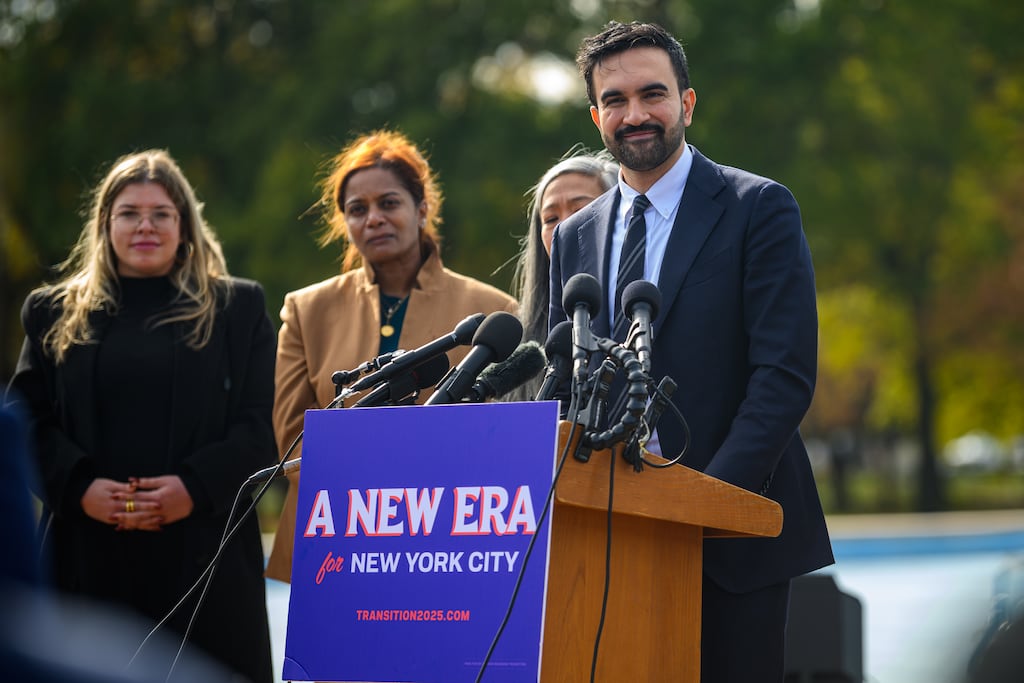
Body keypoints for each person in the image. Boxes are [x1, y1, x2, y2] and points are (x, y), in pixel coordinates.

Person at [548, 21, 834, 682]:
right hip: (606, 542)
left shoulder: (758, 206)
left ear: (688, 102)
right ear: (596, 116)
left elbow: (783, 375)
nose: (636, 113)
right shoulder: (575, 237)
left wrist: (701, 506)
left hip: (728, 544)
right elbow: (566, 381)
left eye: (653, 93)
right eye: (615, 100)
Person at [6, 149, 276, 683]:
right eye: (129, 213)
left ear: (185, 226)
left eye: (161, 213)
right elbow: (25, 419)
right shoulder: (51, 311)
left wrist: (192, 488)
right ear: (105, 224)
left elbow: (260, 426)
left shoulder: (236, 308)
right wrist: (80, 485)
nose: (145, 226)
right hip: (86, 554)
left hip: (205, 560)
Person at [264, 129, 518, 583]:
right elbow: (292, 441)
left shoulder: (492, 311)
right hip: (332, 543)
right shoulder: (306, 310)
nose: (374, 218)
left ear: (422, 210)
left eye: (389, 203)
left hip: (448, 542)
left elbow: (502, 438)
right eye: (357, 210)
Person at [507, 147, 618, 402]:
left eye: (582, 211)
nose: (565, 227)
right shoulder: (518, 341)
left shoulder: (640, 313)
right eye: (551, 218)